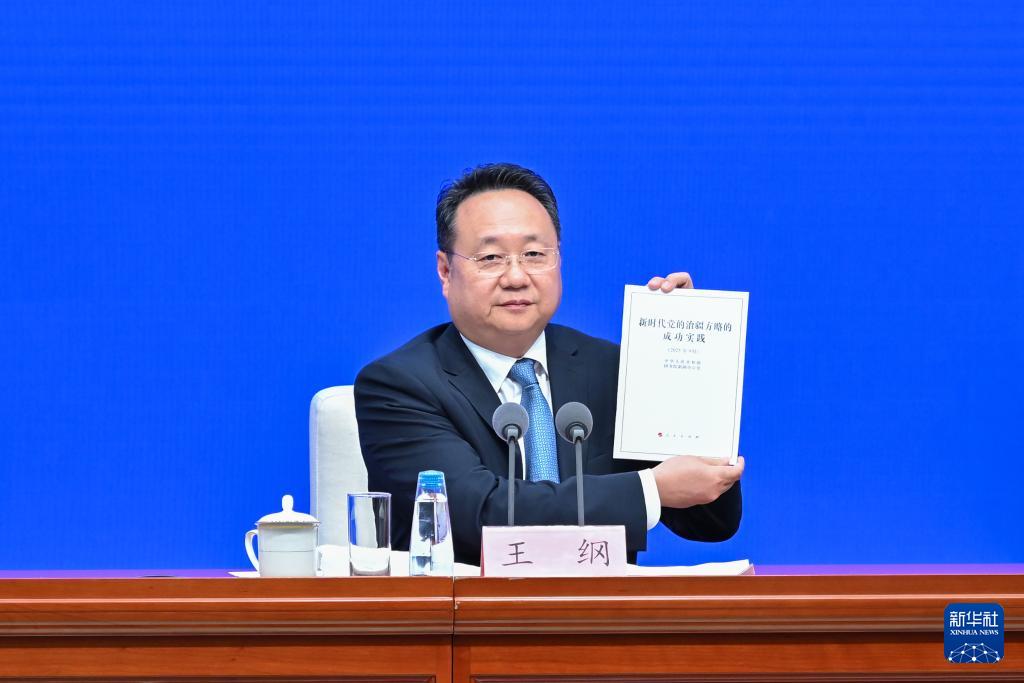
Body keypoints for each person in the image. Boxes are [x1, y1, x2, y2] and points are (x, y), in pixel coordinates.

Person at [354, 163, 744, 565]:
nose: (516, 277)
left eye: (534, 254)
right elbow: (475, 515)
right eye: (491, 257)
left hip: (602, 606)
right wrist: (649, 490)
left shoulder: (612, 370)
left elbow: (711, 521)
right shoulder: (397, 385)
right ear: (445, 270)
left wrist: (684, 368)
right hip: (472, 605)